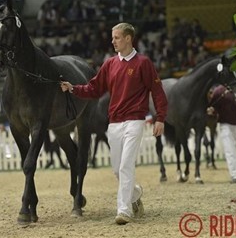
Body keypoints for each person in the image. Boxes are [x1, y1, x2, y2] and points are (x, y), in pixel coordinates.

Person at [60, 22, 168, 225]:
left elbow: (158, 92)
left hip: (135, 121)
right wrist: (73, 88)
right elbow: (94, 88)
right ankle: (135, 195)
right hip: (115, 123)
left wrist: (160, 117)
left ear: (128, 38)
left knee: (126, 166)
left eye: (117, 37)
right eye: (113, 38)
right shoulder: (109, 64)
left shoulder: (143, 63)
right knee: (117, 170)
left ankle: (124, 211)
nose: (113, 41)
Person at [207, 83, 236, 183]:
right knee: (230, 150)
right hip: (225, 124)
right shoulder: (218, 91)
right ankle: (234, 175)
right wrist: (211, 111)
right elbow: (213, 107)